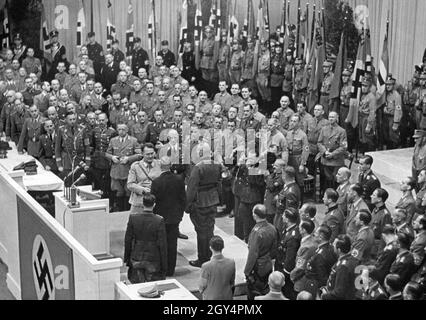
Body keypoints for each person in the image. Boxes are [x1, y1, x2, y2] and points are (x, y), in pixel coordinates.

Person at [186, 145, 222, 267]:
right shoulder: (217, 165)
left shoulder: (198, 168)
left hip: (200, 201)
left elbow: (192, 188)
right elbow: (219, 183)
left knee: (201, 231)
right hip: (212, 200)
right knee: (210, 229)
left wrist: (187, 205)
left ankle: (202, 258)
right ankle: (211, 254)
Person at [151, 156, 186, 277]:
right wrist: (180, 215)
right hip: (174, 218)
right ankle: (171, 270)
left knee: (161, 243)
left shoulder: (156, 182)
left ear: (160, 166)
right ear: (171, 166)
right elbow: (183, 200)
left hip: (160, 218)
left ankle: (162, 269)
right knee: (172, 244)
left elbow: (153, 201)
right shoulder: (179, 180)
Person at [124, 193, 167, 284]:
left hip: (136, 256)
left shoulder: (133, 218)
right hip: (153, 258)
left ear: (142, 204)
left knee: (136, 286)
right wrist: (164, 265)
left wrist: (127, 258)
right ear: (154, 205)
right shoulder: (159, 220)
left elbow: (127, 240)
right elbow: (162, 245)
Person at [105, 124, 142, 212]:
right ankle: (119, 211)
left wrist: (128, 159)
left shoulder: (133, 140)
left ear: (127, 130)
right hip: (116, 172)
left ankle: (128, 212)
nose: (121, 131)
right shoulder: (113, 140)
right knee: (118, 193)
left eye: (123, 129)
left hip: (128, 171)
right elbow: (107, 153)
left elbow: (139, 155)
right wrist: (112, 157)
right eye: (119, 129)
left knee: (128, 193)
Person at [245, 204, 278, 300]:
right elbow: (274, 249)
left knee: (253, 293)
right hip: (268, 265)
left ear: (255, 215)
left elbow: (253, 254)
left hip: (257, 268)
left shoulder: (256, 232)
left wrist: (247, 271)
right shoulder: (272, 228)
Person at [297, 225, 337, 298]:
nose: (313, 234)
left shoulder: (320, 255)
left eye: (315, 233)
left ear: (320, 237)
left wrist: (319, 292)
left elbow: (322, 277)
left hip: (314, 286)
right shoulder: (329, 248)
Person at [90, 113, 117, 206]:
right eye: (99, 120)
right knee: (97, 181)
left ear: (106, 120)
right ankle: (98, 202)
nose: (101, 122)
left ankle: (109, 203)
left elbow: (114, 147)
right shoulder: (94, 131)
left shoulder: (112, 132)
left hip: (107, 160)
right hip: (97, 160)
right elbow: (92, 145)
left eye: (103, 120)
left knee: (107, 183)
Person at [320, 235, 358, 300]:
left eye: (334, 245)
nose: (332, 246)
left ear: (339, 250)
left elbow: (339, 292)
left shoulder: (343, 267)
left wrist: (324, 296)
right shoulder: (350, 259)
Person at [317, 111, 348, 191]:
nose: (331, 119)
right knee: (326, 180)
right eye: (330, 117)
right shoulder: (324, 129)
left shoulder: (342, 131)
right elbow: (319, 142)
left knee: (335, 180)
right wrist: (325, 152)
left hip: (336, 160)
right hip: (325, 159)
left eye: (333, 117)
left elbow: (343, 147)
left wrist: (332, 154)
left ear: (337, 118)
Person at [275, 208, 301, 300]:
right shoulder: (288, 229)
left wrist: (284, 274)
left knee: (287, 294)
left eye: (284, 215)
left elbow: (290, 258)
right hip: (280, 264)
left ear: (287, 219)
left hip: (285, 272)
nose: (282, 216)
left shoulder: (293, 237)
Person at [127, 143, 162, 213]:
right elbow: (130, 185)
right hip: (139, 202)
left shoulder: (160, 164)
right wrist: (143, 190)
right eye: (147, 154)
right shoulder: (135, 166)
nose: (150, 156)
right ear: (142, 154)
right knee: (135, 222)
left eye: (152, 153)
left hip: (156, 202)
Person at [199, 236, 236, 300]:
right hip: (227, 296)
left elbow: (202, 286)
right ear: (223, 247)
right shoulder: (231, 262)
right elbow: (232, 282)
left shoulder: (206, 266)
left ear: (210, 248)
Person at [291, 219, 318, 294]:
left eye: (300, 227)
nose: (298, 228)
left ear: (303, 230)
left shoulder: (307, 246)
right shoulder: (312, 240)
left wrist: (292, 276)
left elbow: (300, 267)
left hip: (301, 280)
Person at [286, 115, 309, 189]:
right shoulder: (288, 133)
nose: (292, 123)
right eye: (291, 121)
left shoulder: (303, 135)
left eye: (294, 121)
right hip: (289, 159)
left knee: (299, 181)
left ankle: (300, 200)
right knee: (289, 179)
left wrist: (302, 164)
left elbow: (306, 150)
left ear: (299, 123)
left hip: (298, 159)